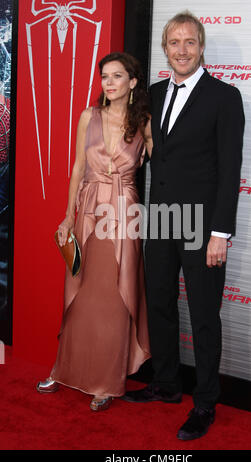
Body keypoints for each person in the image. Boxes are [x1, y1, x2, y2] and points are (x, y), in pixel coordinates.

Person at [122, 11, 245, 440]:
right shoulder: (152, 94)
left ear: (201, 45)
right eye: (174, 43)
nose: (181, 50)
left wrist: (220, 233)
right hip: (160, 220)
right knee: (159, 303)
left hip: (202, 226)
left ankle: (206, 403)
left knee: (205, 315)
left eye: (189, 42)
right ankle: (167, 384)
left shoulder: (224, 97)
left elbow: (231, 171)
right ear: (165, 49)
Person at [37, 52, 152, 411]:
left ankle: (107, 380)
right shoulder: (90, 116)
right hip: (88, 211)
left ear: (132, 82)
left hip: (124, 213)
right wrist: (68, 217)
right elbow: (77, 168)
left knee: (117, 296)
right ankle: (64, 368)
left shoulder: (145, 123)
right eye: (105, 76)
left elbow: (167, 165)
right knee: (81, 293)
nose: (109, 82)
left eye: (117, 76)